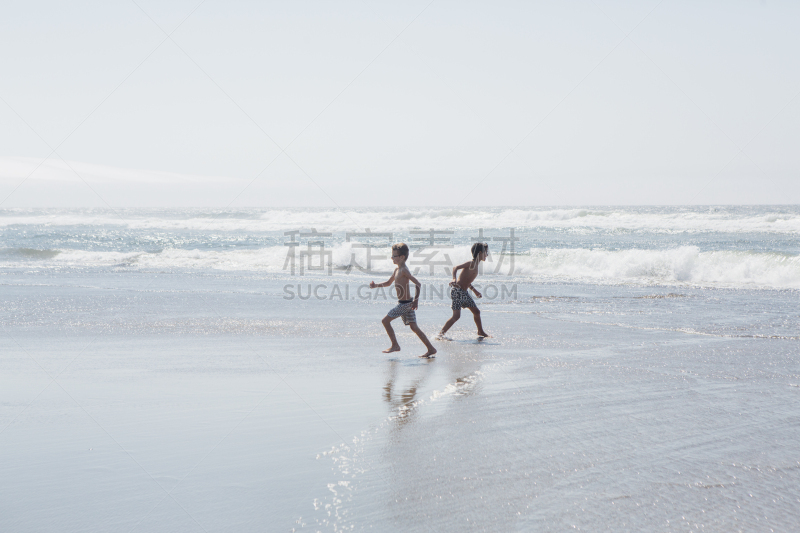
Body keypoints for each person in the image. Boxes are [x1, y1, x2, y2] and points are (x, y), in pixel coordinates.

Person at [370, 243, 437, 358]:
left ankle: (395, 345)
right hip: (405, 303)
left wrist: (416, 300)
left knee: (385, 321)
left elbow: (418, 284)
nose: (392, 258)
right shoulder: (397, 270)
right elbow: (388, 283)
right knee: (414, 327)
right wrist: (375, 285)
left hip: (405, 304)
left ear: (402, 257)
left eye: (394, 256)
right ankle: (431, 348)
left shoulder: (404, 270)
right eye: (392, 255)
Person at [438, 242, 491, 338]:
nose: (487, 255)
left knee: (476, 312)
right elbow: (455, 267)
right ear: (480, 253)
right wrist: (454, 279)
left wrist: (474, 290)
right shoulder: (471, 263)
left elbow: (466, 280)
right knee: (456, 316)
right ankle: (440, 334)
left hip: (464, 293)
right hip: (458, 292)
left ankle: (480, 331)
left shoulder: (476, 266)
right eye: (486, 252)